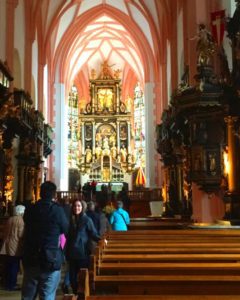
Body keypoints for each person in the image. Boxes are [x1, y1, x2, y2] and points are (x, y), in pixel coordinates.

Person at [21, 181, 69, 300]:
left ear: (40, 193)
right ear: (54, 194)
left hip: (31, 256)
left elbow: (26, 224)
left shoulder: (31, 209)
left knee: (28, 295)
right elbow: (66, 229)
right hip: (50, 258)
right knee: (47, 295)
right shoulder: (57, 210)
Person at [65, 199, 100, 294]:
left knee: (82, 278)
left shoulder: (87, 219)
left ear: (82, 207)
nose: (76, 208)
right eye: (75, 206)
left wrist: (101, 240)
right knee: (72, 279)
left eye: (79, 206)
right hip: (71, 253)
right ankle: (76, 293)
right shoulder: (70, 219)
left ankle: (82, 295)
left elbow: (93, 233)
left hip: (82, 253)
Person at [0, 205, 25, 291]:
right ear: (21, 212)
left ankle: (8, 283)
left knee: (8, 265)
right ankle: (12, 285)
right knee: (14, 266)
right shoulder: (20, 220)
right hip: (15, 246)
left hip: (6, 245)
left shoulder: (9, 219)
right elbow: (20, 235)